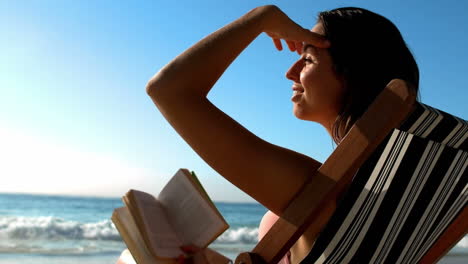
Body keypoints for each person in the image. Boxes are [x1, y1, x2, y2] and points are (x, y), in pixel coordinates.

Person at [117, 5, 419, 264]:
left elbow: (168, 90)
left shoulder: (324, 189)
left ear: (354, 73)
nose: (291, 72)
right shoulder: (400, 195)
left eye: (308, 59)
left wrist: (261, 17)